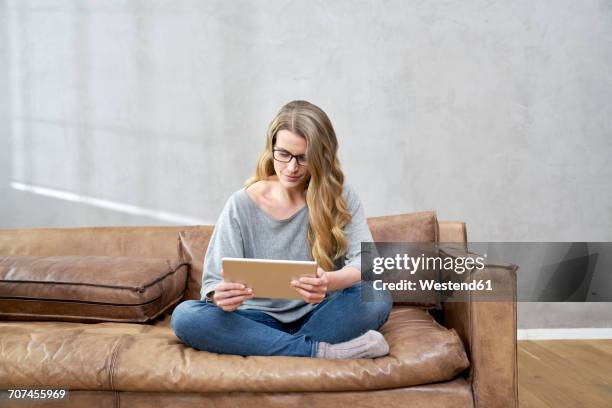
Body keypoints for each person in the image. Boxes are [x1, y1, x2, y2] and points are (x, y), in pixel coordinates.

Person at [172, 100, 392, 358]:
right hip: (255, 319)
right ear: (271, 148)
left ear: (322, 156)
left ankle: (273, 346)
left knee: (377, 296)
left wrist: (330, 281)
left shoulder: (339, 196)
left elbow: (366, 262)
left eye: (303, 158)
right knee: (186, 316)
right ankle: (322, 352)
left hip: (320, 313)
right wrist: (220, 296)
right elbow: (212, 282)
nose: (291, 167)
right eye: (283, 154)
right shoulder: (241, 203)